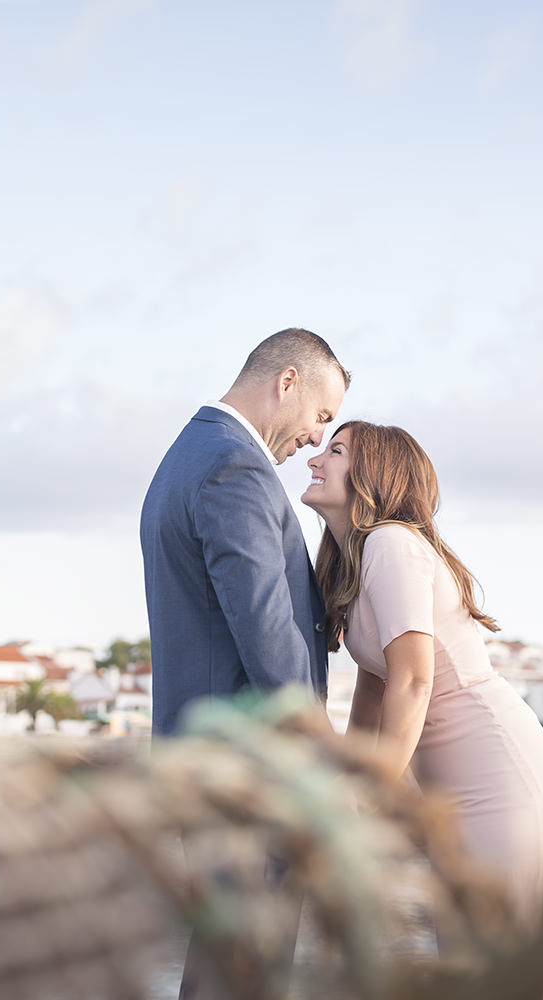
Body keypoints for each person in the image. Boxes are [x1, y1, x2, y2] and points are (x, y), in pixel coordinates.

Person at [140, 327, 348, 998]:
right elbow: (266, 630)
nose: (317, 438)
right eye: (321, 416)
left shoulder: (190, 453)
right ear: (287, 381)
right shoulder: (234, 467)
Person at [303, 420, 543, 935]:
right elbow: (374, 687)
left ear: (374, 473)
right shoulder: (359, 564)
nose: (314, 459)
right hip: (450, 790)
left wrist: (376, 798)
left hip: (498, 778)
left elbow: (413, 682)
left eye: (335, 451)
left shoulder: (391, 544)